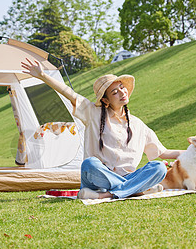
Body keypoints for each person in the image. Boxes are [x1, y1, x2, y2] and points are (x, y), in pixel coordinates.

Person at [21, 58, 184, 200]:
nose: (122, 92)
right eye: (115, 92)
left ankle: (110, 195)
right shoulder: (92, 112)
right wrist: (43, 76)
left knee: (159, 167)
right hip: (97, 178)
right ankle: (136, 190)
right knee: (89, 164)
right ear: (105, 100)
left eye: (122, 87)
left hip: (126, 177)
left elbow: (162, 153)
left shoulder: (138, 125)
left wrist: (193, 149)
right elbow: (69, 93)